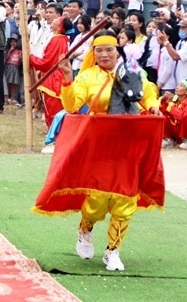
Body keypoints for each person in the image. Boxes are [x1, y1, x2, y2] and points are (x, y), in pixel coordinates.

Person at [45, 31, 162, 272]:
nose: (104, 54)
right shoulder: (87, 76)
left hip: (129, 142)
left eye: (109, 49)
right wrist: (67, 77)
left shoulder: (133, 71)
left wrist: (153, 106)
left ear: (117, 51)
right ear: (93, 54)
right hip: (100, 143)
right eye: (99, 50)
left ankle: (113, 251)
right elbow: (72, 105)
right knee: (97, 200)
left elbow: (148, 92)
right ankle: (85, 229)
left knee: (125, 197)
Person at [30, 17, 72, 128]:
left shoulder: (57, 40)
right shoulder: (61, 39)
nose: (53, 20)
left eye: (56, 20)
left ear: (59, 27)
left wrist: (31, 58)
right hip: (56, 77)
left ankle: (55, 137)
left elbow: (47, 62)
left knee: (53, 112)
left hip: (54, 79)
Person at [160, 80, 187, 148]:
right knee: (163, 117)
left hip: (186, 130)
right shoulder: (174, 99)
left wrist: (170, 103)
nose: (177, 87)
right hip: (176, 128)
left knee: (186, 118)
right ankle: (168, 139)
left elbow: (182, 115)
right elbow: (163, 111)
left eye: (181, 86)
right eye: (178, 85)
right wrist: (165, 100)